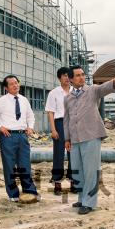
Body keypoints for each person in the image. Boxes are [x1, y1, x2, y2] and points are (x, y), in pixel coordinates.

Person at [64, 65, 115, 215]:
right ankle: (81, 198)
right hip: (75, 138)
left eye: (82, 74)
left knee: (91, 171)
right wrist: (67, 138)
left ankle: (89, 203)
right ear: (71, 79)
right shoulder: (67, 98)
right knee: (78, 171)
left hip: (91, 136)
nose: (81, 77)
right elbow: (66, 120)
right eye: (77, 75)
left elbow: (104, 88)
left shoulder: (92, 90)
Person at [0, 75, 39, 202]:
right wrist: (0, 127)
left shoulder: (24, 100)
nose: (15, 85)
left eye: (16, 83)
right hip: (8, 136)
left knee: (25, 164)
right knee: (9, 166)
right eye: (12, 84)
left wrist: (30, 127)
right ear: (6, 88)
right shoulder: (1, 101)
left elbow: (30, 116)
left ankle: (29, 191)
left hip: (22, 136)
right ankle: (13, 194)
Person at [45, 67, 75, 195]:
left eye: (69, 75)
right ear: (59, 78)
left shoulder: (76, 91)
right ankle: (57, 182)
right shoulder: (54, 93)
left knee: (73, 154)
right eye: (64, 76)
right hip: (59, 123)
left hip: (74, 124)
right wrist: (53, 129)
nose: (67, 78)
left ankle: (74, 181)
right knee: (58, 154)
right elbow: (50, 112)